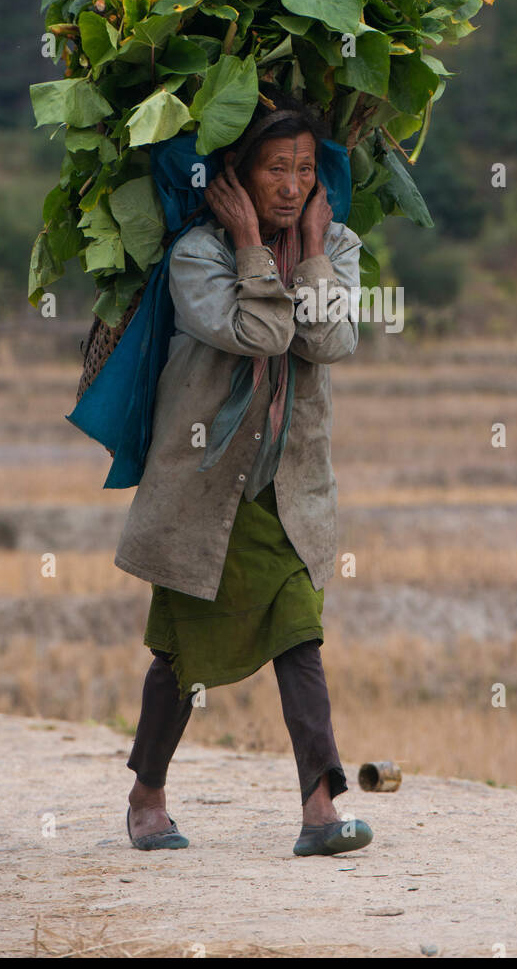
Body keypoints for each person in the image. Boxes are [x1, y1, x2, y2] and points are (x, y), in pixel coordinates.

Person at [114, 91, 373, 857]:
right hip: (203, 495)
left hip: (288, 492)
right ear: (235, 176)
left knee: (300, 636)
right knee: (179, 660)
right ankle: (147, 793)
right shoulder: (198, 256)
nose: (292, 186)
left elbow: (325, 341)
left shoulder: (340, 247)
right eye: (273, 169)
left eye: (303, 170)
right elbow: (260, 330)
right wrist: (251, 242)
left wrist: (316, 252)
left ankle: (320, 812)